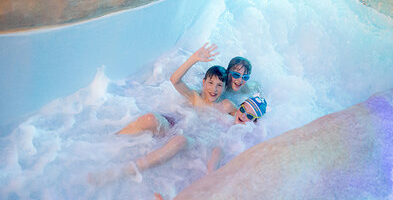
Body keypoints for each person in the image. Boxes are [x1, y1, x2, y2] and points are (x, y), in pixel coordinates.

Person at [89, 43, 236, 185]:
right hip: (177, 126)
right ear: (204, 82)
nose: (214, 89)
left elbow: (246, 120)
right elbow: (175, 80)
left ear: (224, 88)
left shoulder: (226, 105)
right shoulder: (195, 97)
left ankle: (123, 171)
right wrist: (194, 58)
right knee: (150, 118)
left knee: (180, 140)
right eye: (211, 83)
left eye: (219, 85)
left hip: (194, 141)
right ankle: (107, 146)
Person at [207, 95, 267, 173]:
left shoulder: (250, 137)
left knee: (218, 151)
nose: (243, 115)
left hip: (230, 162)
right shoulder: (224, 119)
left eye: (249, 115)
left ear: (254, 121)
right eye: (242, 109)